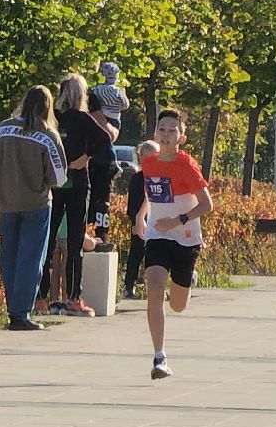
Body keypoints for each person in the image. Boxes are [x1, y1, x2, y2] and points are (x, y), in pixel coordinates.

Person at [0, 86, 66, 332]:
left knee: (9, 257)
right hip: (36, 204)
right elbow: (59, 178)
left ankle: (12, 308)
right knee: (30, 259)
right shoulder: (47, 135)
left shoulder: (2, 129)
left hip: (7, 203)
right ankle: (21, 313)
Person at [138, 110, 212, 380]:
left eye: (172, 131)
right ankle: (160, 357)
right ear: (155, 134)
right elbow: (151, 194)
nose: (166, 135)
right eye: (162, 129)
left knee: (178, 305)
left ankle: (188, 279)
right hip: (157, 236)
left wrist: (178, 220)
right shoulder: (148, 163)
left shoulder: (186, 166)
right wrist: (141, 216)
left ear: (181, 138)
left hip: (185, 237)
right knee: (154, 288)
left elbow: (207, 205)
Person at [41, 74, 102, 316]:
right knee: (74, 243)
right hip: (73, 184)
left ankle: (42, 297)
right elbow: (104, 141)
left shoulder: (53, 118)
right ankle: (73, 298)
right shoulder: (79, 118)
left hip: (57, 184)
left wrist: (82, 158)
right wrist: (85, 157)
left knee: (48, 240)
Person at [87, 63, 127, 247]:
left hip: (99, 161)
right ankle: (97, 234)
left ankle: (99, 234)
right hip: (113, 121)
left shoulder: (95, 91)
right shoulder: (117, 91)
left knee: (100, 200)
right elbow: (125, 105)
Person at [121, 153, 149, 301]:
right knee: (136, 253)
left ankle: (151, 286)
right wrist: (135, 221)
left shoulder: (159, 177)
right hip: (139, 223)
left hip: (156, 223)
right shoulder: (137, 178)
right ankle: (129, 286)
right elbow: (131, 203)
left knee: (154, 255)